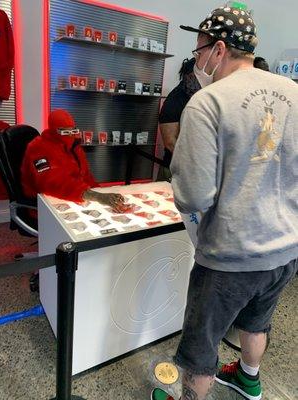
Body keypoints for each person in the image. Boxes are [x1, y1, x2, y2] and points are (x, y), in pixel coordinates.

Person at [152, 4, 298, 400]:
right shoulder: (295, 94)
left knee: (201, 346)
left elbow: (193, 196)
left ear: (218, 49)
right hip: (285, 249)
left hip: (230, 255)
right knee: (257, 322)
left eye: (198, 49)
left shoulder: (208, 101)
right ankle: (248, 378)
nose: (196, 58)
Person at [21, 109, 125, 212]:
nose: (70, 135)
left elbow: (86, 176)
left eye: (73, 130)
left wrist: (102, 193)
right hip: (45, 206)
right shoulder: (38, 148)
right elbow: (52, 183)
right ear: (53, 130)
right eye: (65, 131)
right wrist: (97, 196)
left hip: (74, 198)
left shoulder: (74, 146)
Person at [157, 57, 201, 181]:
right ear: (190, 75)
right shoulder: (176, 99)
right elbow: (170, 142)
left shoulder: (199, 98)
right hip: (176, 169)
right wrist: (192, 165)